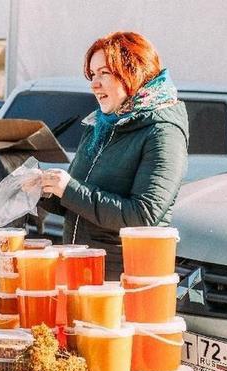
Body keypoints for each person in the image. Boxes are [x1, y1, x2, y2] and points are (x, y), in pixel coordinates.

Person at [39, 32, 188, 280]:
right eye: (92, 75)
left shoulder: (163, 133)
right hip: (81, 269)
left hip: (123, 280)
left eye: (104, 73)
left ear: (134, 73)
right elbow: (77, 204)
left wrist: (69, 189)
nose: (94, 84)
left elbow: (142, 216)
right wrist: (43, 190)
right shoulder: (100, 125)